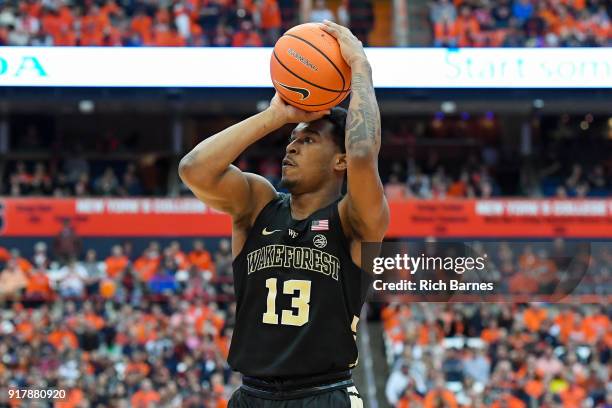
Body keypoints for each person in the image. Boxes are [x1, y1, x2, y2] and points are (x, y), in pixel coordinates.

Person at [179, 20, 388, 408]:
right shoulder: (258, 203)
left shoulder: (354, 219)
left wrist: (360, 66)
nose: (290, 147)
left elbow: (363, 153)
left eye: (307, 140)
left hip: (324, 395)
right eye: (291, 140)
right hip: (251, 395)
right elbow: (194, 169)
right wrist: (276, 116)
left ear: (339, 159)